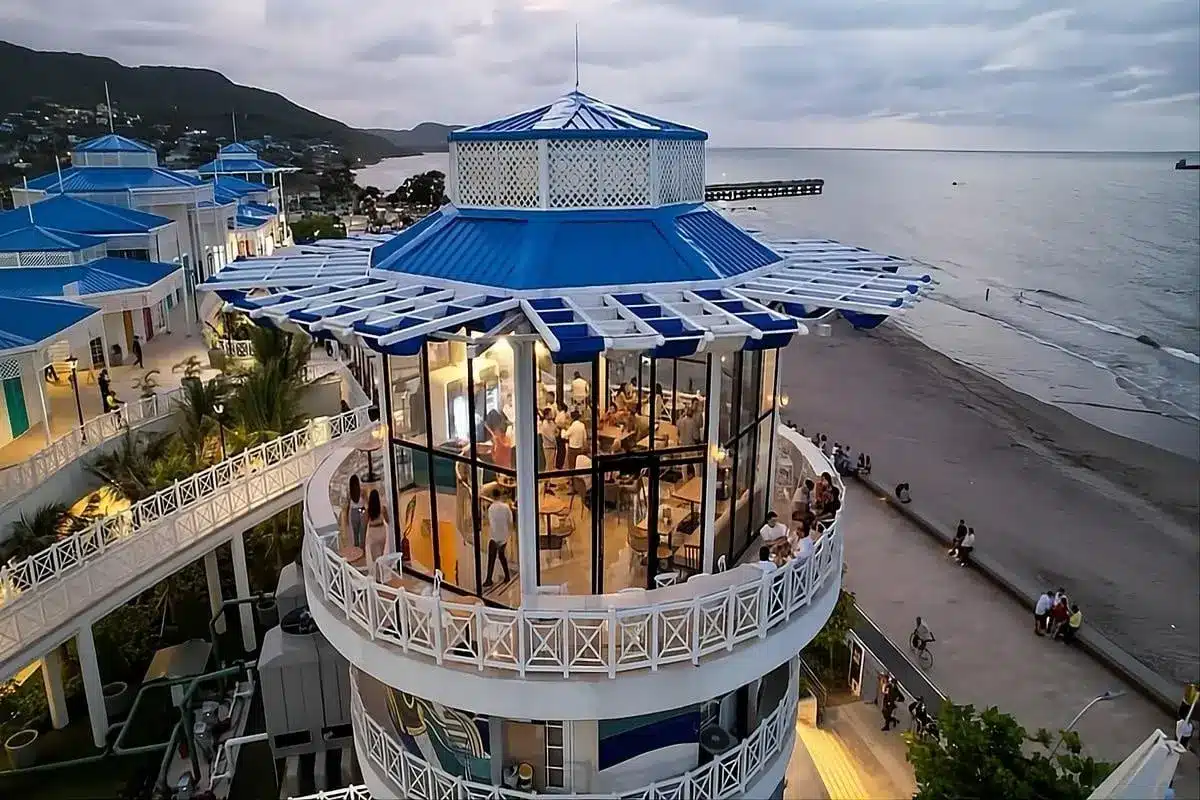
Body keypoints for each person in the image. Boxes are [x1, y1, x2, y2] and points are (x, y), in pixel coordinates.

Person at [484, 498, 513, 587]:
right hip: (503, 536)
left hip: (494, 536)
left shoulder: (491, 508)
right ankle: (507, 576)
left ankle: (489, 579)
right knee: (501, 556)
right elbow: (510, 521)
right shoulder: (506, 507)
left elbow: (489, 522)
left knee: (491, 558)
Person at [363, 489, 390, 573]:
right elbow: (387, 520)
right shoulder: (382, 508)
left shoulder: (368, 510)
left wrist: (364, 539)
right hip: (382, 531)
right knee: (381, 554)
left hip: (373, 532)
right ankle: (381, 573)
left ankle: (378, 574)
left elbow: (365, 524)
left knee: (375, 557)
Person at [341, 474, 366, 549]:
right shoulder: (362, 491)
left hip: (353, 512)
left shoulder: (350, 493)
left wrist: (346, 518)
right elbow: (366, 502)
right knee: (362, 531)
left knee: (355, 533)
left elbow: (348, 505)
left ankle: (356, 548)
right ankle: (363, 548)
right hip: (362, 510)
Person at [538, 407, 558, 473]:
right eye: (550, 414)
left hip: (553, 446)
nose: (552, 415)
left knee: (551, 465)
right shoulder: (545, 425)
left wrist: (556, 433)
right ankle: (547, 478)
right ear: (546, 415)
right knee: (549, 466)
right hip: (548, 448)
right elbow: (552, 438)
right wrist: (556, 435)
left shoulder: (551, 422)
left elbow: (556, 430)